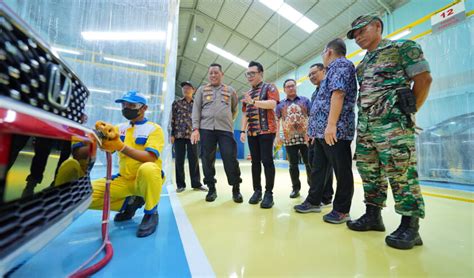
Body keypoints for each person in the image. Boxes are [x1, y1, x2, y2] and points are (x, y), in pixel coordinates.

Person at [346, 14, 432, 249]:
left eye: (362, 30)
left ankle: (411, 227)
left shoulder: (402, 48)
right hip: (366, 128)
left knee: (400, 172)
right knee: (369, 172)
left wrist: (406, 113)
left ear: (378, 27)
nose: (358, 36)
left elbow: (424, 80)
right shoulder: (362, 65)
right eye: (354, 34)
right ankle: (373, 216)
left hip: (393, 127)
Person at [294, 38, 356, 225]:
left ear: (328, 51)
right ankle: (314, 200)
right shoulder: (330, 71)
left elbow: (338, 94)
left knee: (341, 170)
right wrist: (314, 130)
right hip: (321, 132)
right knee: (318, 169)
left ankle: (342, 210)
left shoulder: (341, 65)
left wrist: (331, 125)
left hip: (335, 130)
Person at [92, 90, 165, 237]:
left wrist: (121, 147)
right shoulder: (120, 128)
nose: (126, 108)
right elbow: (110, 149)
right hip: (124, 179)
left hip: (145, 180)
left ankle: (151, 213)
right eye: (124, 105)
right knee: (86, 195)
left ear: (144, 108)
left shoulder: (154, 129)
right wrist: (99, 139)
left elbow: (150, 158)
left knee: (149, 168)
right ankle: (129, 203)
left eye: (132, 105)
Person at [191, 63, 243, 203]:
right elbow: (196, 110)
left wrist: (227, 120)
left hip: (225, 129)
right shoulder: (201, 90)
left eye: (216, 73)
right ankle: (211, 188)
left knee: (230, 158)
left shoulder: (230, 90)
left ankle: (236, 188)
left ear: (222, 74)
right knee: (207, 159)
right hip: (206, 129)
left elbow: (234, 109)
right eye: (211, 73)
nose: (213, 75)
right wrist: (195, 128)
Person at [240, 61, 280, 209]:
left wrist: (254, 102)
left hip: (267, 130)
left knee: (267, 161)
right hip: (252, 132)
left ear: (261, 74)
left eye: (252, 73)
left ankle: (269, 193)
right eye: (247, 74)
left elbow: (272, 104)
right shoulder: (248, 93)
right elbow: (245, 113)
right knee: (254, 162)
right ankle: (257, 191)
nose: (249, 76)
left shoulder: (270, 87)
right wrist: (243, 131)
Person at [275, 78, 311, 199]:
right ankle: (295, 189)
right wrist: (277, 136)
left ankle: (313, 188)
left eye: (293, 86)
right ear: (284, 89)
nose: (291, 88)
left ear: (296, 87)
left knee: (309, 164)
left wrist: (311, 133)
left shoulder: (305, 100)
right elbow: (277, 121)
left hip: (306, 138)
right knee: (293, 165)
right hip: (289, 139)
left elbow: (312, 117)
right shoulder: (280, 105)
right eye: (288, 86)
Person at [171, 81, 206, 193]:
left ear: (193, 90)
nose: (185, 89)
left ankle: (196, 184)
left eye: (188, 88)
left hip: (193, 136)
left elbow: (201, 119)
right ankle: (180, 185)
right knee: (179, 160)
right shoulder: (176, 103)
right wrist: (172, 134)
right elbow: (172, 119)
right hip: (179, 135)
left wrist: (201, 132)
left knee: (194, 160)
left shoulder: (197, 104)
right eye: (184, 88)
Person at [308, 63, 334, 206]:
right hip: (316, 135)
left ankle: (327, 196)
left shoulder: (329, 87)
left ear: (323, 71)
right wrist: (311, 133)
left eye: (314, 73)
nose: (312, 76)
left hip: (329, 133)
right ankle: (317, 196)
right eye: (309, 75)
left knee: (327, 167)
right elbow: (313, 115)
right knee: (317, 166)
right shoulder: (314, 93)